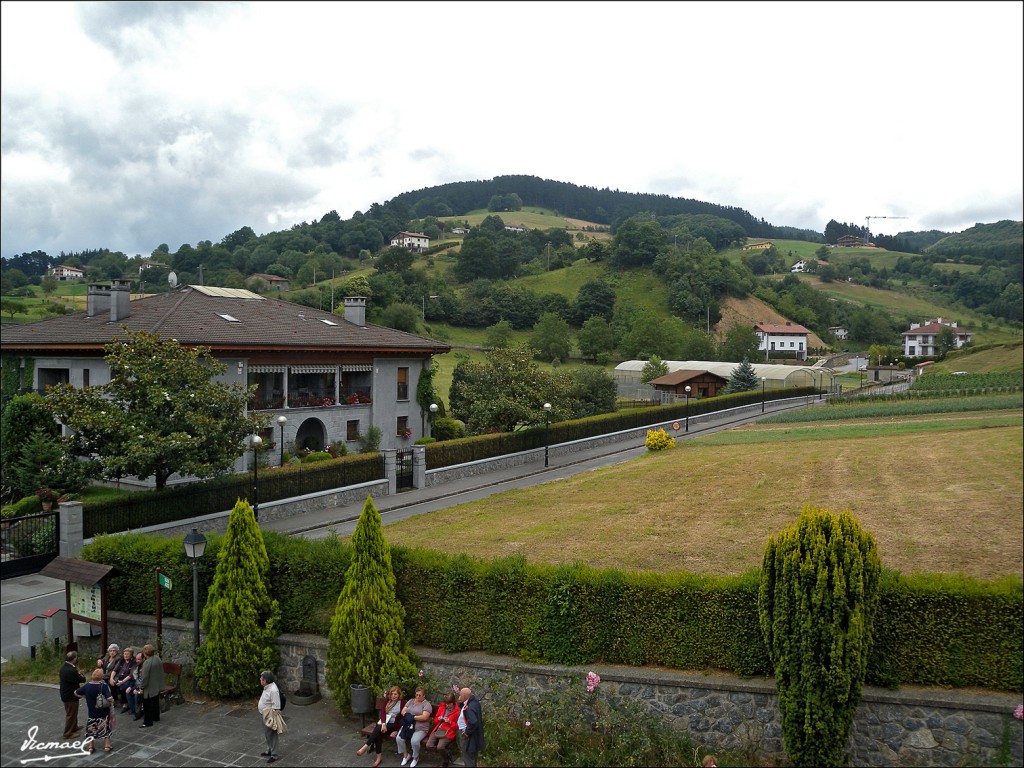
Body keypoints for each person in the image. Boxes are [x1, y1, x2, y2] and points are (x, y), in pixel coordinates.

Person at [356, 685, 403, 768]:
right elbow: (383, 713)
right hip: (384, 723)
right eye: (392, 694)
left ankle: (366, 746)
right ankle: (378, 757)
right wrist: (384, 724)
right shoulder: (387, 701)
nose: (393, 696)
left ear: (399, 695)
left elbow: (403, 719)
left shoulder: (402, 703)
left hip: (393, 725)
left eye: (395, 694)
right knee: (378, 733)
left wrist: (397, 731)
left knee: (378, 729)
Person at [75, 667, 115, 753]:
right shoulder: (103, 685)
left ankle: (90, 747)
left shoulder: (87, 686)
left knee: (91, 728)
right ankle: (107, 746)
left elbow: (76, 692)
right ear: (101, 676)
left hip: (92, 712)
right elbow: (109, 697)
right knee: (105, 727)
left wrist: (84, 696)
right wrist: (112, 701)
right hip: (103, 712)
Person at [396, 685, 432, 768]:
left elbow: (424, 717)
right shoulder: (411, 701)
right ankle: (406, 755)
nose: (417, 696)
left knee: (414, 741)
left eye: (419, 695)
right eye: (416, 694)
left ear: (424, 695)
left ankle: (415, 757)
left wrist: (412, 717)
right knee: (399, 738)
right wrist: (408, 716)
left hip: (420, 728)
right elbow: (403, 711)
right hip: (408, 725)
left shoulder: (426, 704)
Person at [425, 692, 461, 768]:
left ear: (453, 703)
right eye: (446, 704)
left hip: (448, 732)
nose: (447, 706)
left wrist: (450, 722)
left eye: (449, 704)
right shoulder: (442, 707)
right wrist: (438, 719)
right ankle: (446, 752)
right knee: (428, 745)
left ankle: (446, 759)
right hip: (438, 729)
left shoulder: (457, 712)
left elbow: (457, 726)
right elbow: (435, 721)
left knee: (440, 747)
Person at [59, 650, 87, 739]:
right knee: (71, 714)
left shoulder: (64, 667)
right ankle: (67, 733)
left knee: (72, 712)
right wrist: (82, 675)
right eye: (76, 657)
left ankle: (74, 726)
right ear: (74, 658)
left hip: (65, 694)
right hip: (71, 695)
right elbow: (81, 679)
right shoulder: (71, 670)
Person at [258, 670, 283, 764]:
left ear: (265, 681)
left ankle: (274, 755)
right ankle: (269, 750)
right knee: (267, 734)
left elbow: (276, 706)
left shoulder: (273, 690)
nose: (260, 679)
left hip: (269, 716)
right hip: (265, 715)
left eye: (261, 678)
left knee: (272, 735)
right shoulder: (267, 687)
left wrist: (272, 720)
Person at [138, 644, 164, 728]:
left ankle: (148, 721)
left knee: (147, 704)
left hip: (149, 687)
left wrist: (141, 687)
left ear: (145, 653)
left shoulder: (147, 663)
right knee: (155, 702)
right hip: (157, 685)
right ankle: (156, 717)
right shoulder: (157, 658)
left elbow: (144, 678)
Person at [457, 687, 485, 768]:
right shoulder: (474, 702)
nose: (459, 697)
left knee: (468, 757)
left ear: (464, 696)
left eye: (460, 695)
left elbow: (473, 721)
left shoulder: (470, 708)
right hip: (474, 734)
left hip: (467, 736)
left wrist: (467, 731)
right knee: (472, 757)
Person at [109, 646, 135, 711]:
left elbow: (131, 675)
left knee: (123, 687)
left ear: (131, 655)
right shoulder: (121, 661)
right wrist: (111, 678)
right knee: (110, 684)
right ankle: (114, 700)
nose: (125, 656)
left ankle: (125, 703)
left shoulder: (133, 662)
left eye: (127, 654)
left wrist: (122, 681)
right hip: (119, 677)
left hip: (127, 679)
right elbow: (114, 670)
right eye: (124, 654)